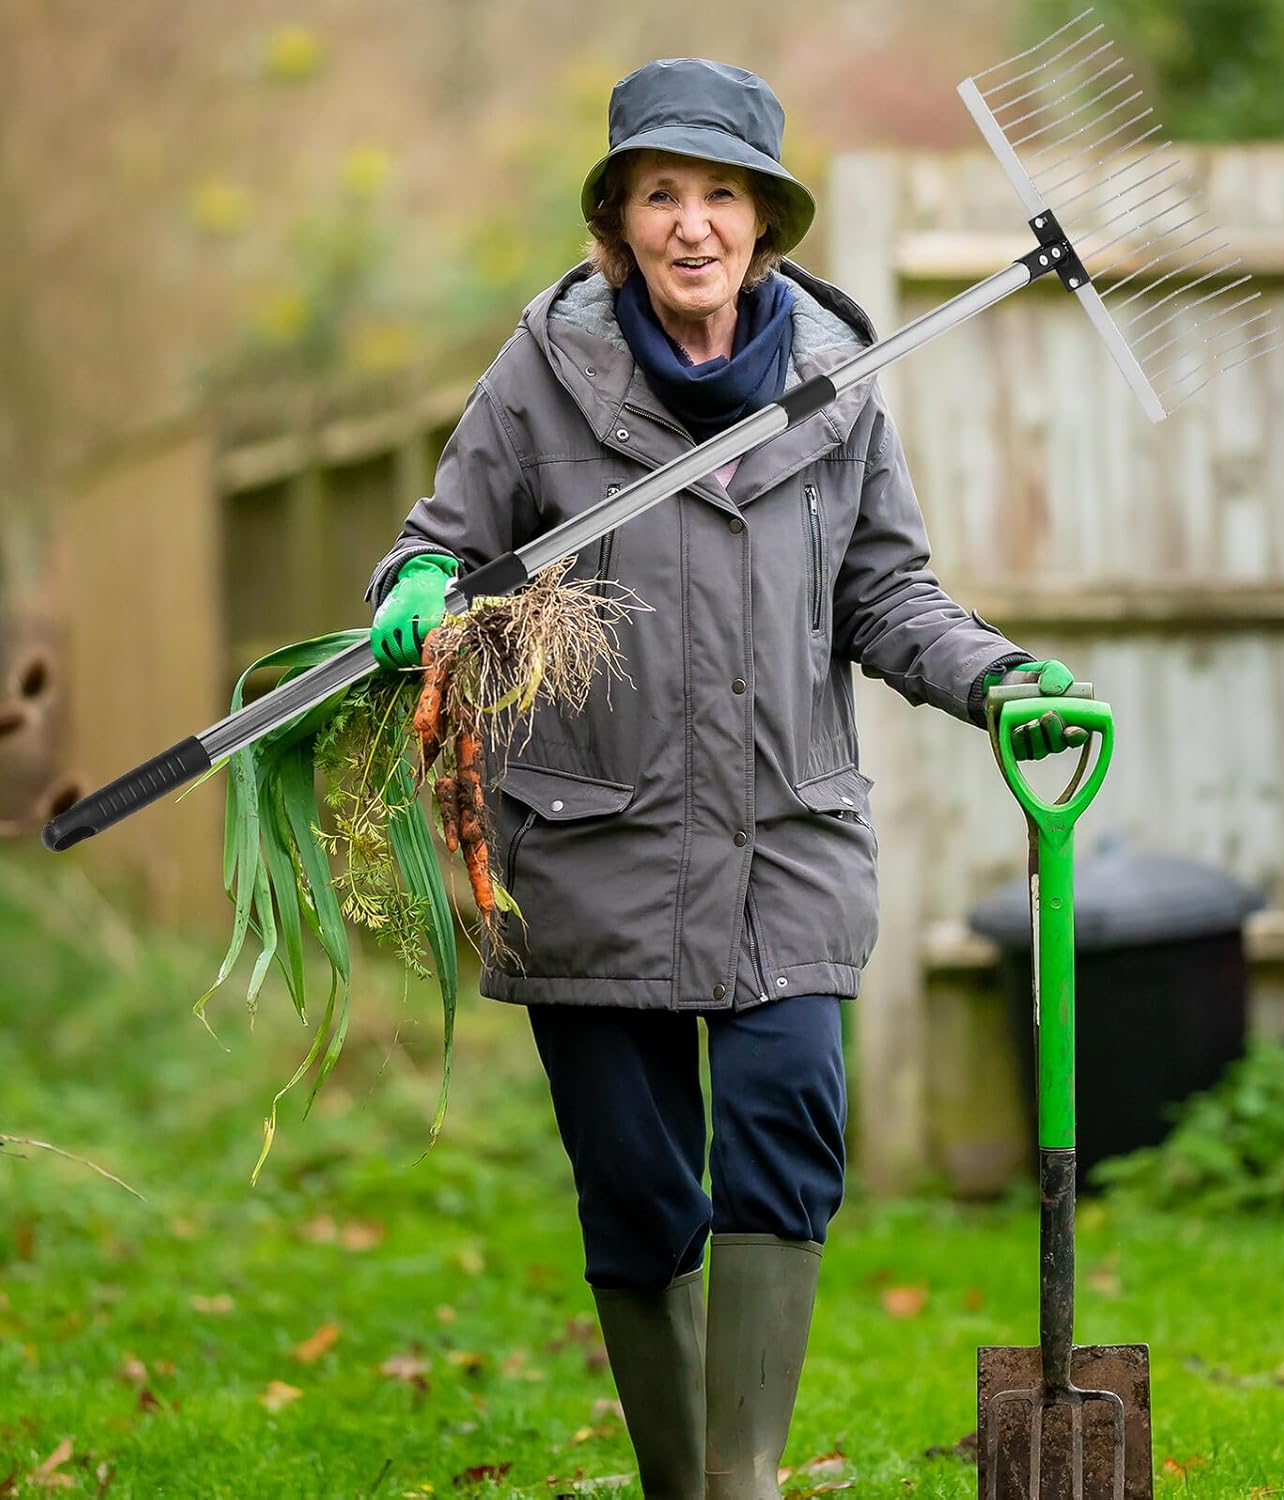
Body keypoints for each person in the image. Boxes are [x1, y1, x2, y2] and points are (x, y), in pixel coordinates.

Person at [363, 57, 1081, 1500]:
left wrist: (996, 675)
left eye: (720, 195)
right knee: (637, 1194)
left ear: (763, 222)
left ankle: (742, 1480)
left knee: (785, 1139)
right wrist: (421, 588)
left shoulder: (841, 386)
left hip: (783, 837)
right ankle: (681, 1484)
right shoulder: (543, 376)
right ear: (618, 223)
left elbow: (886, 593)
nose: (692, 223)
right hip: (592, 846)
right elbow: (435, 543)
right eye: (660, 194)